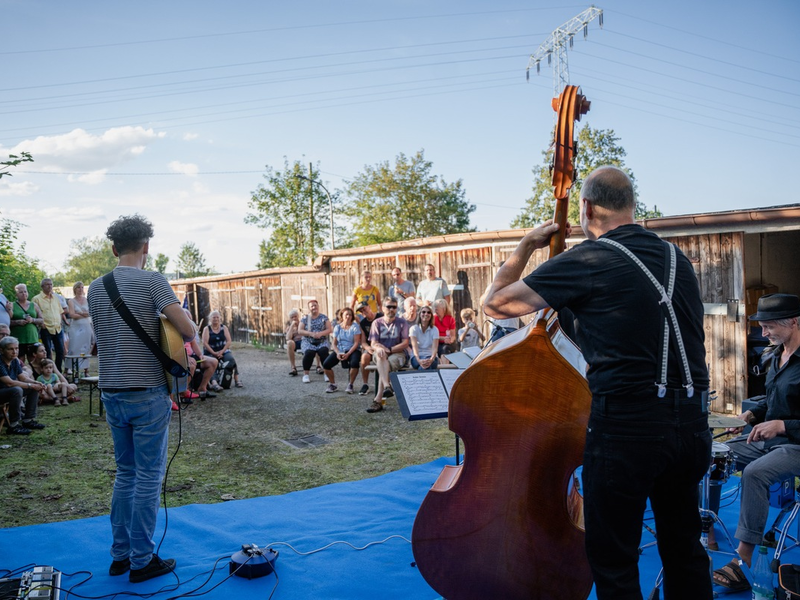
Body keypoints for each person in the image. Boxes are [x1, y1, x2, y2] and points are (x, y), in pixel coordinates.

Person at [483, 166, 712, 599]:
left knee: (614, 559)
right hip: (692, 426)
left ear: (586, 207)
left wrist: (527, 244)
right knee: (684, 549)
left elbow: (494, 304)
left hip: (628, 429)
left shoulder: (589, 260)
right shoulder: (677, 259)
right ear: (632, 206)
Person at [88, 214, 195, 584]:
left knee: (126, 473)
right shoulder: (153, 281)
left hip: (111, 391)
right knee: (148, 477)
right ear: (146, 246)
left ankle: (119, 556)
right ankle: (141, 560)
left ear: (114, 248)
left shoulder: (95, 288)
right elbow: (187, 330)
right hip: (147, 392)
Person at [711, 293, 800, 593]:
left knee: (755, 473)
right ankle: (707, 529)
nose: (763, 334)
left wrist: (782, 425)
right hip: (770, 441)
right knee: (713, 454)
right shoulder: (777, 355)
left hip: (795, 444)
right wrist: (750, 415)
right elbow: (774, 400)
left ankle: (744, 560)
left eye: (769, 326)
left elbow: (785, 416)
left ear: (794, 322)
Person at [366, 296, 409, 413]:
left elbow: (405, 343)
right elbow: (373, 343)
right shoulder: (377, 323)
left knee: (386, 365)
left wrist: (389, 349)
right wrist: (380, 348)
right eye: (389, 307)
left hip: (398, 353)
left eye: (394, 307)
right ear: (383, 308)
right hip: (381, 353)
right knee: (381, 356)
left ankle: (378, 399)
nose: (391, 309)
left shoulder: (402, 323)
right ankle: (386, 386)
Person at [0, 335, 45, 435]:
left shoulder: (15, 360)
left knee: (33, 389)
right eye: (10, 349)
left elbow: (23, 378)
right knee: (17, 390)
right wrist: (31, 385)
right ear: (2, 350)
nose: (14, 352)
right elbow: (9, 383)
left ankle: (28, 420)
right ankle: (13, 425)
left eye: (16, 348)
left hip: (8, 391)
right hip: (3, 391)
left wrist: (35, 383)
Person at [322, 307, 362, 394]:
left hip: (352, 349)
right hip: (340, 350)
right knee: (326, 364)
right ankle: (333, 384)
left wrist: (348, 353)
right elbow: (334, 343)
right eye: (346, 315)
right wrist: (337, 353)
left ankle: (350, 384)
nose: (348, 317)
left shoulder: (355, 327)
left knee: (355, 363)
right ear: (342, 316)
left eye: (350, 315)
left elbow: (356, 343)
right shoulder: (337, 327)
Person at [32, 278, 66, 373]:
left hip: (57, 328)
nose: (50, 286)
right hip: (46, 328)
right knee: (47, 352)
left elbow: (60, 311)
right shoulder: (36, 299)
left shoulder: (56, 298)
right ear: (42, 286)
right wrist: (41, 324)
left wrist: (60, 321)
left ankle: (58, 371)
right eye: (47, 284)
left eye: (51, 284)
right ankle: (47, 372)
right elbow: (34, 314)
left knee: (60, 351)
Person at [202, 310, 242, 388]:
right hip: (210, 351)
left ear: (220, 318)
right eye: (214, 317)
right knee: (212, 363)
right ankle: (214, 383)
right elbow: (205, 343)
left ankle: (236, 379)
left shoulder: (224, 328)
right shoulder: (206, 329)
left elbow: (229, 341)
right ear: (210, 319)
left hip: (223, 350)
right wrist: (214, 353)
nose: (216, 319)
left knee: (231, 359)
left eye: (217, 317)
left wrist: (222, 351)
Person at [297, 299, 332, 384]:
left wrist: (321, 333)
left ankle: (327, 373)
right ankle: (306, 374)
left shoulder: (324, 317)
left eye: (315, 305)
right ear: (309, 308)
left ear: (318, 306)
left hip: (322, 340)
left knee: (324, 351)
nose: (314, 307)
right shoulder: (305, 318)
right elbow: (300, 330)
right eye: (311, 306)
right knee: (309, 353)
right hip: (308, 340)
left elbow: (329, 329)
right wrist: (311, 334)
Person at [355, 301, 383, 396]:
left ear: (369, 307)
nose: (363, 311)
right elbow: (363, 341)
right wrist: (368, 348)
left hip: (383, 345)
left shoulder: (381, 317)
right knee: (364, 357)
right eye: (361, 311)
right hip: (371, 347)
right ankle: (365, 384)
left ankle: (386, 383)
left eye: (364, 309)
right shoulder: (363, 323)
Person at [10, 283, 44, 360]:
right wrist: (17, 322)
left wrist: (32, 320)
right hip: (18, 338)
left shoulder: (34, 305)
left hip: (32, 338)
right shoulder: (12, 305)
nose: (24, 294)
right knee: (19, 361)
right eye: (21, 292)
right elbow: (7, 321)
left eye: (25, 291)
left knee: (33, 361)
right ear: (16, 294)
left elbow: (41, 320)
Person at [68, 281, 95, 377]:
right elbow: (72, 315)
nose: (80, 289)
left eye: (82, 287)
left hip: (86, 326)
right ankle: (73, 369)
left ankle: (86, 370)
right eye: (78, 287)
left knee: (86, 348)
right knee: (74, 347)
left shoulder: (87, 300)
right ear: (75, 289)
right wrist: (83, 314)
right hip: (76, 327)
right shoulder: (71, 301)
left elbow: (90, 313)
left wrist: (81, 313)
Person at [409, 305, 439, 370]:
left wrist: (431, 359)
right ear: (419, 314)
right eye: (423, 312)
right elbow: (414, 347)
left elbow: (435, 348)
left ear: (431, 315)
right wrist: (419, 360)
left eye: (428, 312)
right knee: (425, 367)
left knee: (424, 367)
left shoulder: (435, 329)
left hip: (431, 356)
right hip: (416, 357)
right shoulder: (413, 329)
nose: (426, 314)